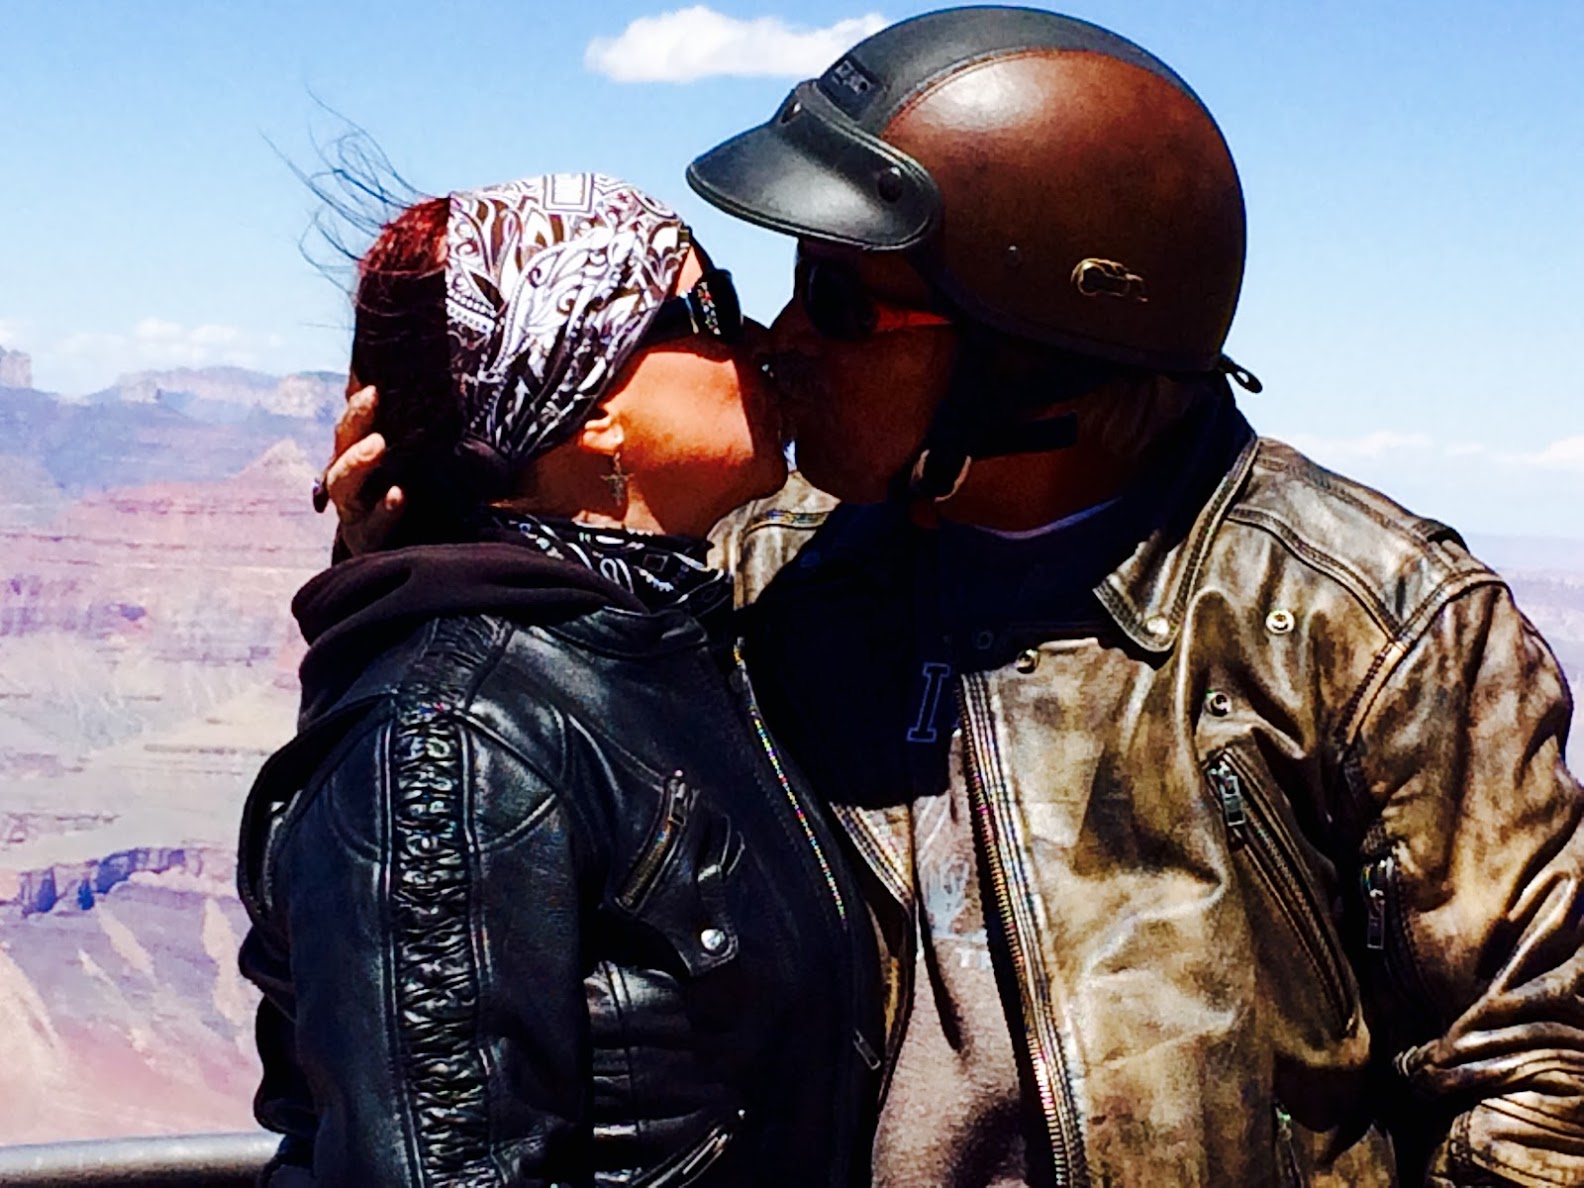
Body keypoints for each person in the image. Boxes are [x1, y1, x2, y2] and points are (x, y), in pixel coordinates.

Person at [326, 10, 1584, 1186]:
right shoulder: (769, 573)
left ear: (1025, 350)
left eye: (839, 301)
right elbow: (470, 797)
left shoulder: (1362, 623)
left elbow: (1542, 1072)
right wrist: (406, 585)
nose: (781, 338)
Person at [237, 172, 881, 1187]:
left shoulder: (668, 646)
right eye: (713, 310)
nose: (761, 341)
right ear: (594, 407)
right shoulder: (452, 741)